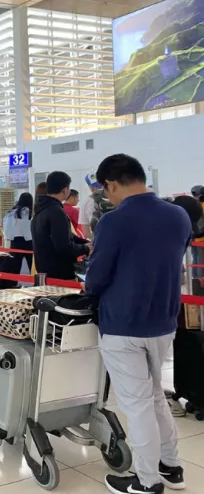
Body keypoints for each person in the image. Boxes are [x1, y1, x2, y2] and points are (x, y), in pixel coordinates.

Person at [85, 154, 190, 494]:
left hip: (123, 325)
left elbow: (96, 277)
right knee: (155, 395)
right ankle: (170, 466)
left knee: (138, 404)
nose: (107, 196)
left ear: (111, 184)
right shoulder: (179, 216)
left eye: (106, 190)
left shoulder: (114, 222)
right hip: (163, 320)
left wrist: (90, 286)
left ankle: (146, 482)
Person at [31, 172, 91, 280]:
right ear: (65, 190)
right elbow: (64, 246)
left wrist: (85, 243)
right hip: (60, 275)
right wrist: (85, 248)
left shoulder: (39, 210)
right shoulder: (56, 212)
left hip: (44, 272)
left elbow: (67, 236)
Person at [3, 192, 33, 272]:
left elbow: (6, 226)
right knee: (32, 265)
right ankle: (35, 282)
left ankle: (13, 283)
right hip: (29, 241)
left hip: (15, 241)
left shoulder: (12, 212)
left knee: (15, 266)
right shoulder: (31, 212)